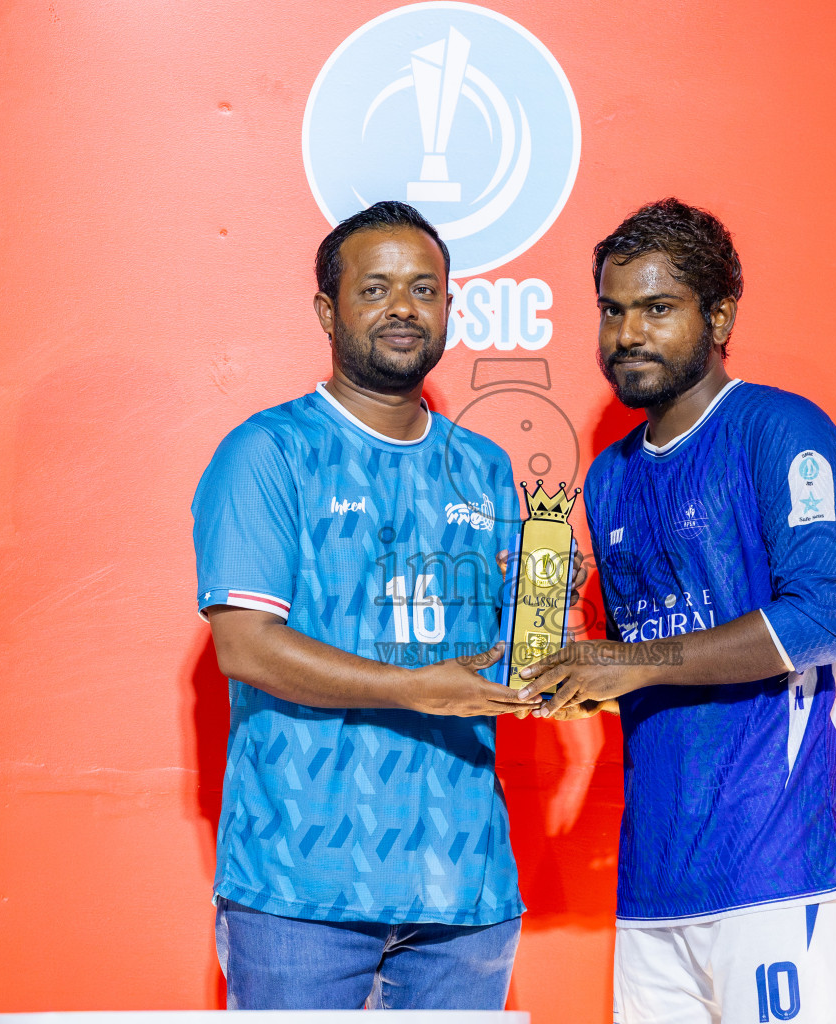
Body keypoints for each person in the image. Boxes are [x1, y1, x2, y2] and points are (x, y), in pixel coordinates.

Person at [518, 199, 836, 1023]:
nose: (627, 334)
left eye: (656, 308)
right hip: (655, 877)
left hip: (780, 861)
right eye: (612, 311)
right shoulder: (609, 477)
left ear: (719, 315)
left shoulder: (783, 430)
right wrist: (563, 677)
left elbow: (821, 621)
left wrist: (626, 662)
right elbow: (647, 663)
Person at [192, 201, 544, 1010]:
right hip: (299, 891)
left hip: (466, 888)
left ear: (450, 308)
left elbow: (512, 657)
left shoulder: (486, 467)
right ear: (329, 309)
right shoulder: (268, 451)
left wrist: (549, 636)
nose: (402, 309)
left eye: (424, 289)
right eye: (376, 288)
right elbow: (246, 647)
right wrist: (417, 685)